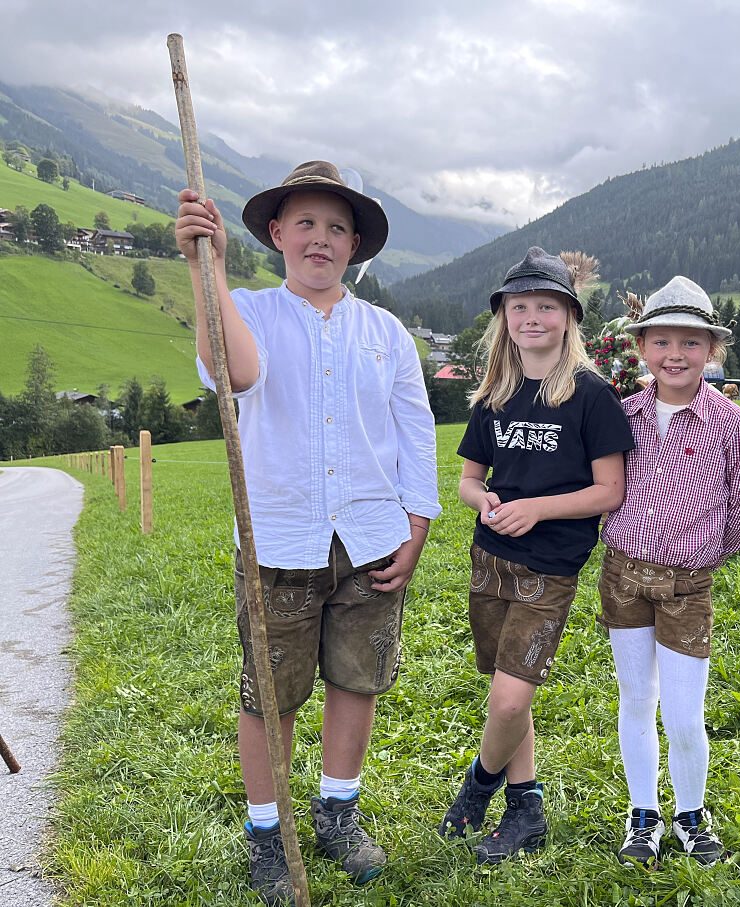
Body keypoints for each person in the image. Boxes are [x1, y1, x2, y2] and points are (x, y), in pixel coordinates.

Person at [175, 161, 440, 905]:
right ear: (276, 233)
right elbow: (235, 373)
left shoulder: (386, 334)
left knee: (358, 678)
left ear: (355, 243)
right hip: (280, 540)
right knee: (271, 692)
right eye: (305, 223)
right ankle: (267, 833)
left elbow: (415, 435)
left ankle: (337, 810)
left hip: (371, 540)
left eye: (335, 226)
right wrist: (211, 270)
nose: (319, 238)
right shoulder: (251, 311)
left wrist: (417, 525)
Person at [439, 246, 634, 864]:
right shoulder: (494, 395)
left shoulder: (590, 396)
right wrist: (487, 502)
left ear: (569, 317)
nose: (531, 317)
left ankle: (478, 786)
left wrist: (538, 510)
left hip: (549, 567)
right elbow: (468, 480)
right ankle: (526, 809)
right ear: (504, 317)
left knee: (509, 700)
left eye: (545, 306)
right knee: (502, 688)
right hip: (489, 559)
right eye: (519, 306)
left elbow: (610, 491)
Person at [598, 276, 740, 867]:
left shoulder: (733, 425)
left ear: (711, 351)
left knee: (684, 709)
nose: (676, 355)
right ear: (642, 347)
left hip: (686, 584)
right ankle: (642, 812)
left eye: (691, 343)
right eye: (662, 342)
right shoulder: (622, 417)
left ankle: (691, 813)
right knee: (635, 698)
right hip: (623, 576)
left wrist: (702, 553)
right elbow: (603, 485)